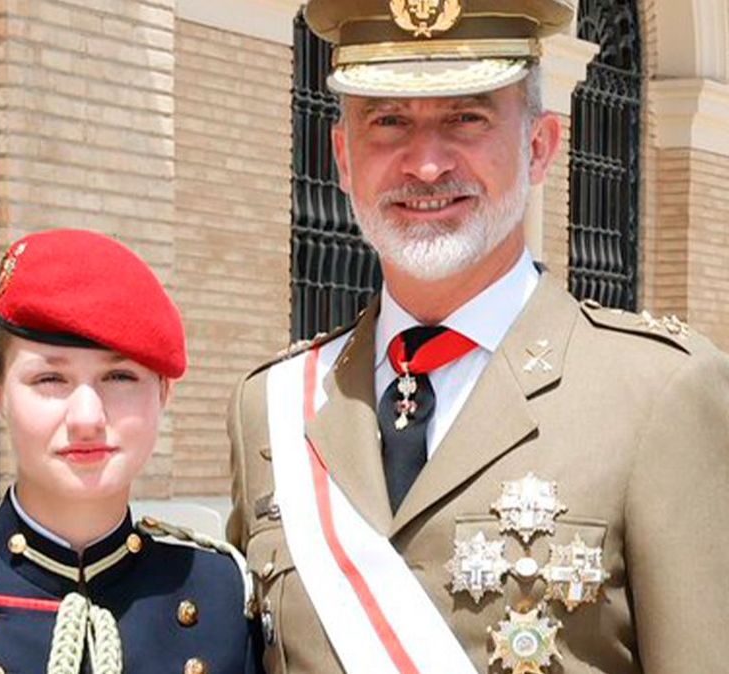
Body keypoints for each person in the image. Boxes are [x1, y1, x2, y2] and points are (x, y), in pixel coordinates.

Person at [228, 2, 729, 674]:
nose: (427, 165)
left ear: (539, 145)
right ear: (343, 158)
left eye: (468, 118)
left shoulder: (659, 397)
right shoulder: (273, 408)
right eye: (388, 121)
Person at [0, 229, 261, 674]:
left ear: (163, 394)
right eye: (50, 380)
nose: (87, 417)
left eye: (120, 378)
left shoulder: (223, 596)